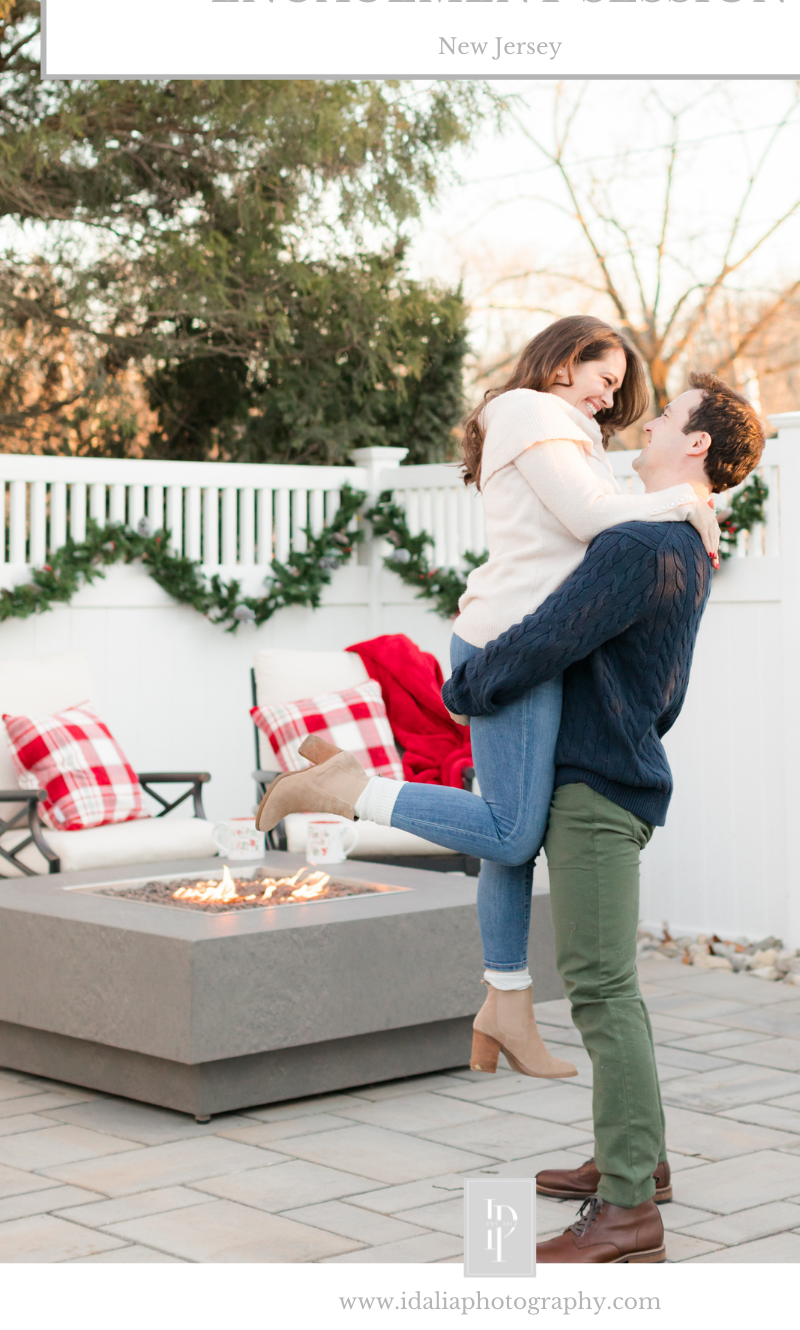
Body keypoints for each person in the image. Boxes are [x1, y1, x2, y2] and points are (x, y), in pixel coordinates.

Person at [255, 316, 720, 1080]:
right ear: (567, 363)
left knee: (509, 833)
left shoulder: (567, 428)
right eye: (605, 382)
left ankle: (505, 1003)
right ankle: (349, 788)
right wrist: (688, 504)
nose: (610, 402)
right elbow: (591, 521)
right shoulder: (530, 413)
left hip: (528, 642)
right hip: (510, 647)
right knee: (510, 831)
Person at [440, 374, 766, 1263]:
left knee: (600, 991)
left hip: (593, 791)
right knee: (614, 987)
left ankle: (626, 1213)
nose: (649, 422)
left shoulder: (641, 543)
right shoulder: (685, 538)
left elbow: (550, 635)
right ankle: (640, 1161)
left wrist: (466, 684)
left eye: (667, 415)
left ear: (696, 445)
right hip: (621, 777)